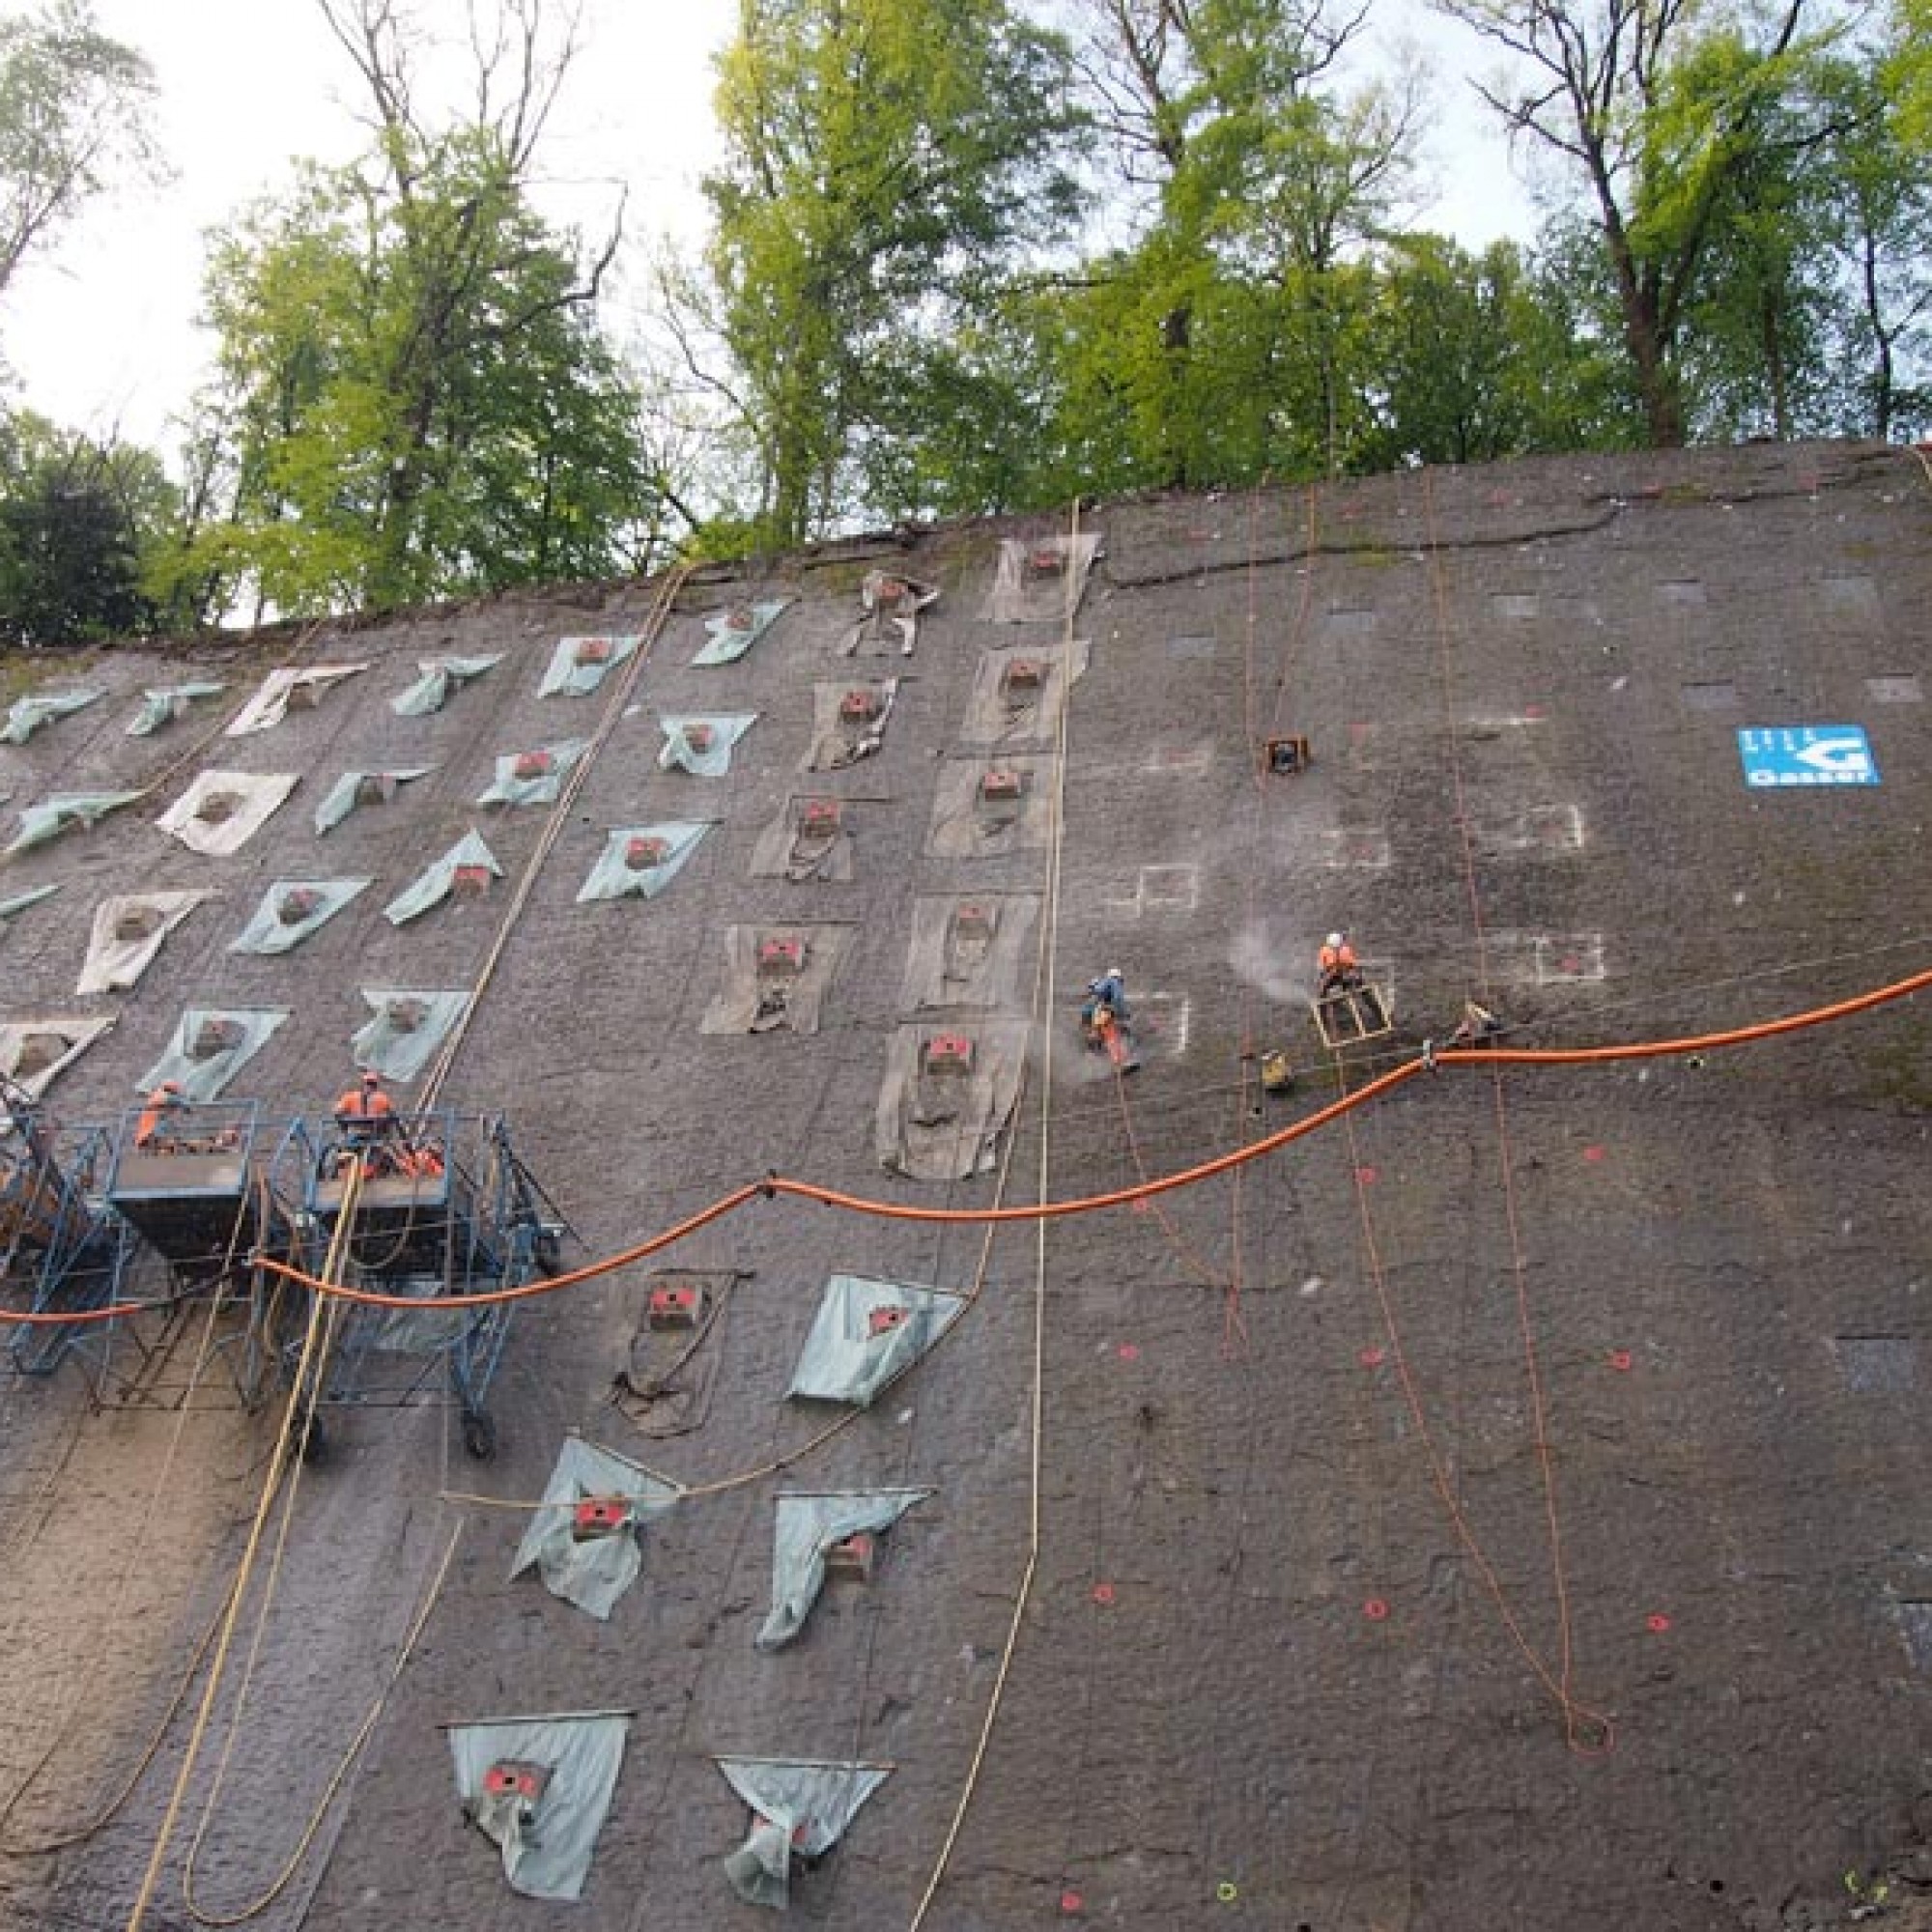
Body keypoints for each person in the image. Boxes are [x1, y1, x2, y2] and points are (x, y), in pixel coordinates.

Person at [134, 1079, 188, 1150]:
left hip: (149, 1135)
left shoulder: (160, 1100)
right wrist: (185, 1105)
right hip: (148, 1135)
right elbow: (172, 1100)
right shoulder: (160, 1094)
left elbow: (172, 1101)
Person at [1317, 932, 1361, 998]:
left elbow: (1353, 966)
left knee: (1357, 980)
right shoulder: (1324, 951)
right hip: (1332, 974)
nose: (1336, 950)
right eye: (1334, 948)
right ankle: (1323, 1003)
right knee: (1322, 988)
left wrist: (1353, 974)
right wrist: (1324, 975)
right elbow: (1321, 968)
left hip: (1344, 974)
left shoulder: (1346, 951)